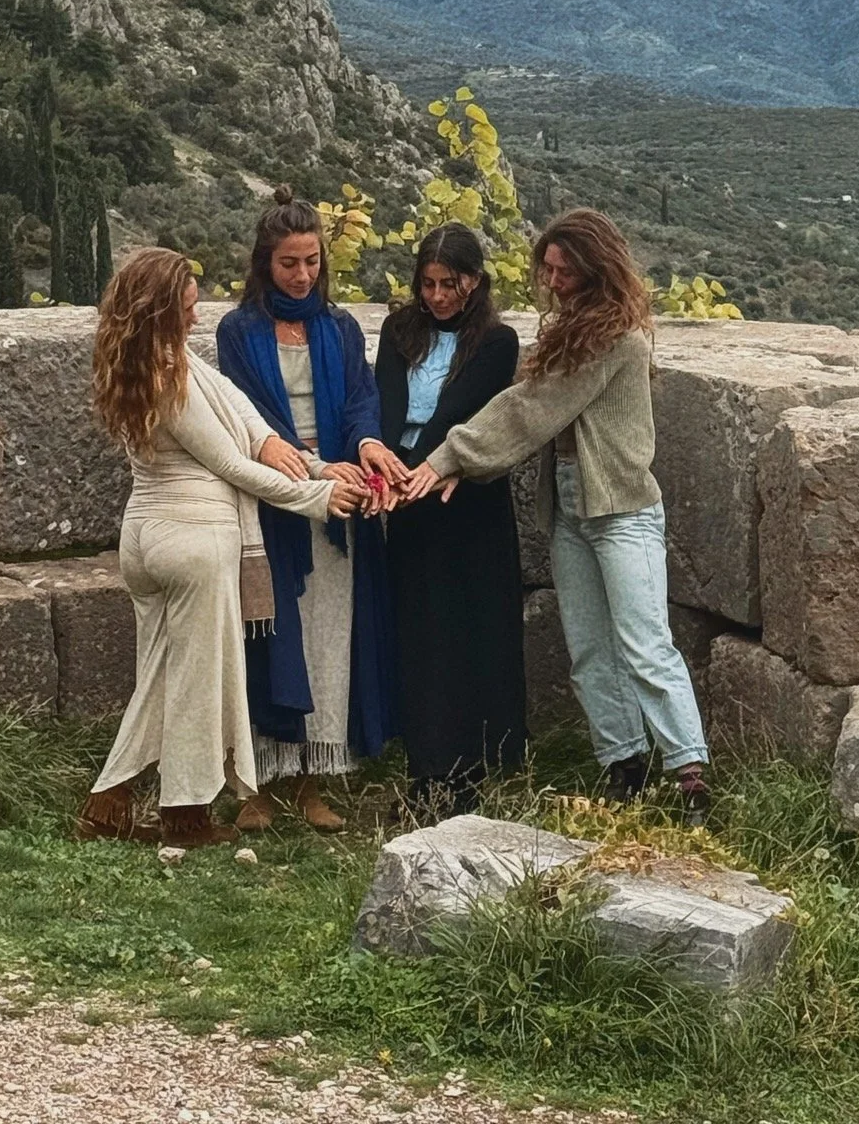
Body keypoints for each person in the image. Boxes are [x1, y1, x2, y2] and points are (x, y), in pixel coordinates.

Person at [402, 208, 710, 811]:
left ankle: (690, 776)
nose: (553, 280)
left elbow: (533, 406)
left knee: (645, 644)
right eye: (547, 268)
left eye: (565, 270)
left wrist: (449, 456)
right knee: (591, 648)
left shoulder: (616, 335)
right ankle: (624, 765)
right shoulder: (573, 326)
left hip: (621, 509)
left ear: (597, 269)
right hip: (572, 508)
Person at [76, 248, 365, 849]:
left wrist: (309, 462)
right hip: (194, 539)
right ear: (159, 312)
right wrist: (314, 496)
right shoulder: (168, 378)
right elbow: (232, 464)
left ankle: (111, 802)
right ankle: (184, 811)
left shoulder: (167, 365)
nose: (196, 316)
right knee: (197, 683)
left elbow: (249, 420)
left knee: (163, 673)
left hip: (148, 535)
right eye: (185, 308)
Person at [217, 188, 403, 832]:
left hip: (338, 498)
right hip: (276, 493)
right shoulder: (238, 330)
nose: (302, 275)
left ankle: (310, 780)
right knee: (267, 637)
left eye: (312, 262)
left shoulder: (340, 328)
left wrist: (369, 445)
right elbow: (251, 416)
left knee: (328, 637)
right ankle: (254, 785)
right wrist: (317, 468)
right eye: (289, 262)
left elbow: (358, 399)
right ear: (264, 263)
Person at [376, 224, 525, 813]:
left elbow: (460, 415)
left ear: (475, 283)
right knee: (419, 637)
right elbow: (389, 401)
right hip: (407, 495)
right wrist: (389, 467)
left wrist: (423, 471)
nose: (437, 296)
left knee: (467, 636)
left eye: (451, 284)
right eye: (429, 283)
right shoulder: (398, 330)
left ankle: (465, 775)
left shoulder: (496, 341)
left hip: (465, 501)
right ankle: (424, 772)